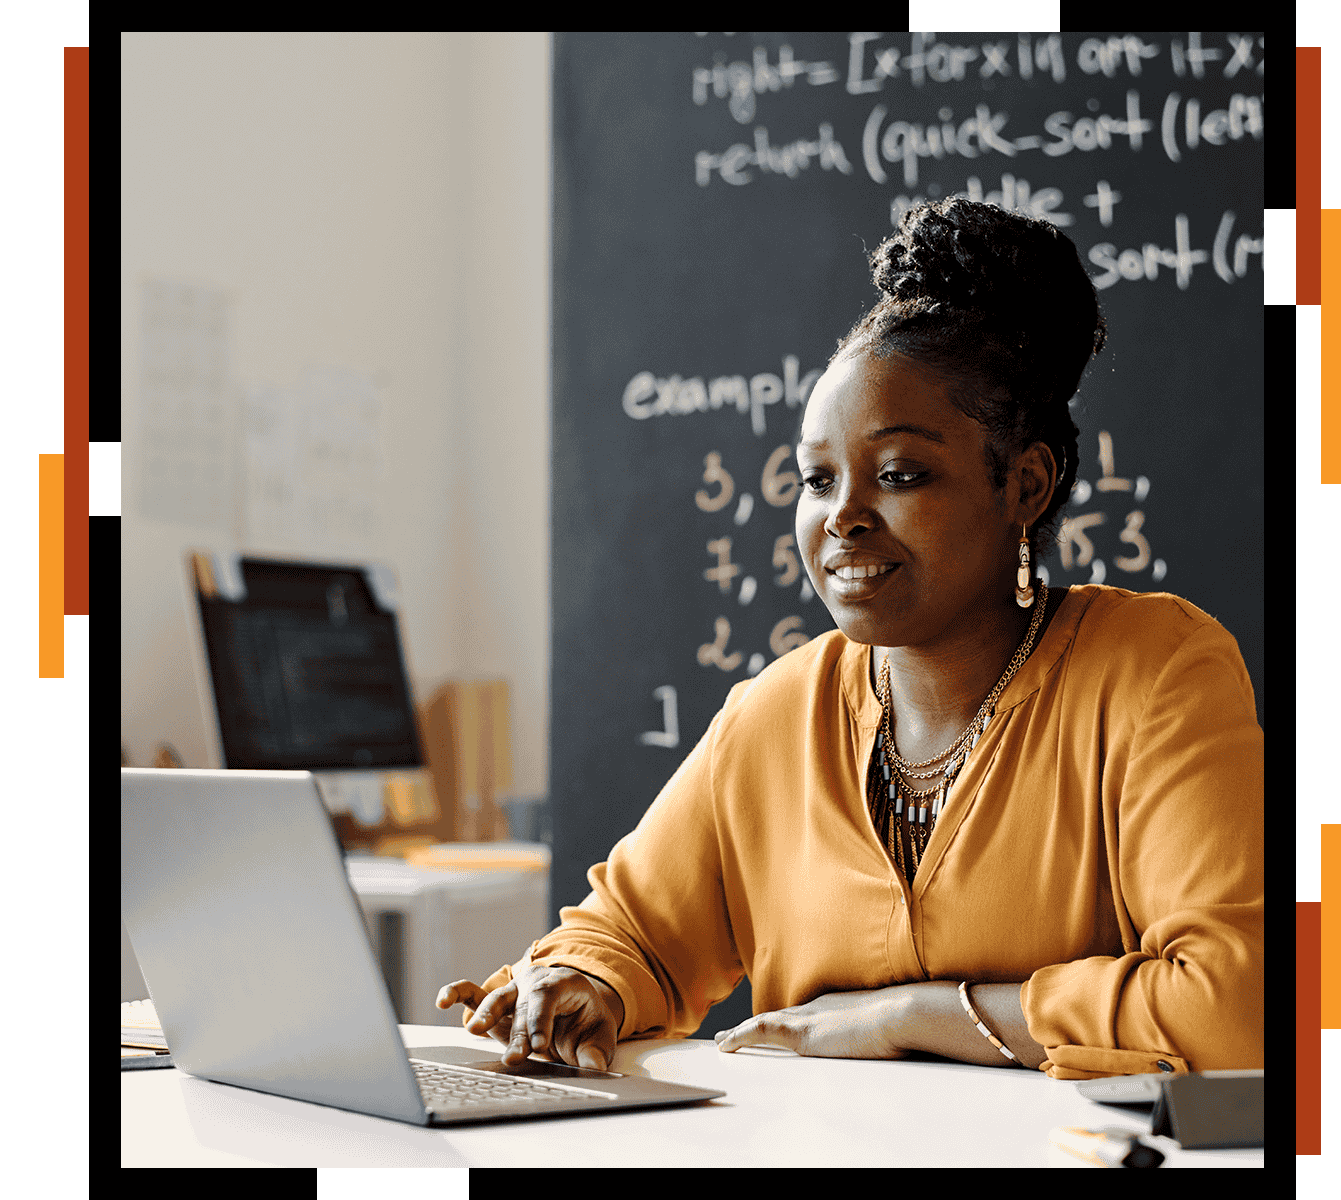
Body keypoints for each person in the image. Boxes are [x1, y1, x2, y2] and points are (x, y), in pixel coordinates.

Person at [436, 197, 1262, 1080]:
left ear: (1025, 484)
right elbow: (630, 932)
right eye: (816, 479)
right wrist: (579, 983)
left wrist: (912, 1016)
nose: (843, 519)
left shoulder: (1157, 673)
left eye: (901, 474)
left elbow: (1234, 1009)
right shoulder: (776, 714)